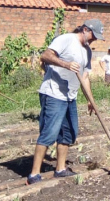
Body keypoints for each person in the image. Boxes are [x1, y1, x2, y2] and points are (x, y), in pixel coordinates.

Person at [26, 19, 104, 185]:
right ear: (84, 29)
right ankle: (34, 174)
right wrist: (65, 64)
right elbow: (45, 55)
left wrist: (91, 100)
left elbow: (85, 77)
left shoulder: (87, 51)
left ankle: (60, 169)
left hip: (70, 96)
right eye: (93, 35)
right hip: (54, 93)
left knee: (68, 133)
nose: (94, 39)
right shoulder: (66, 39)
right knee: (50, 132)